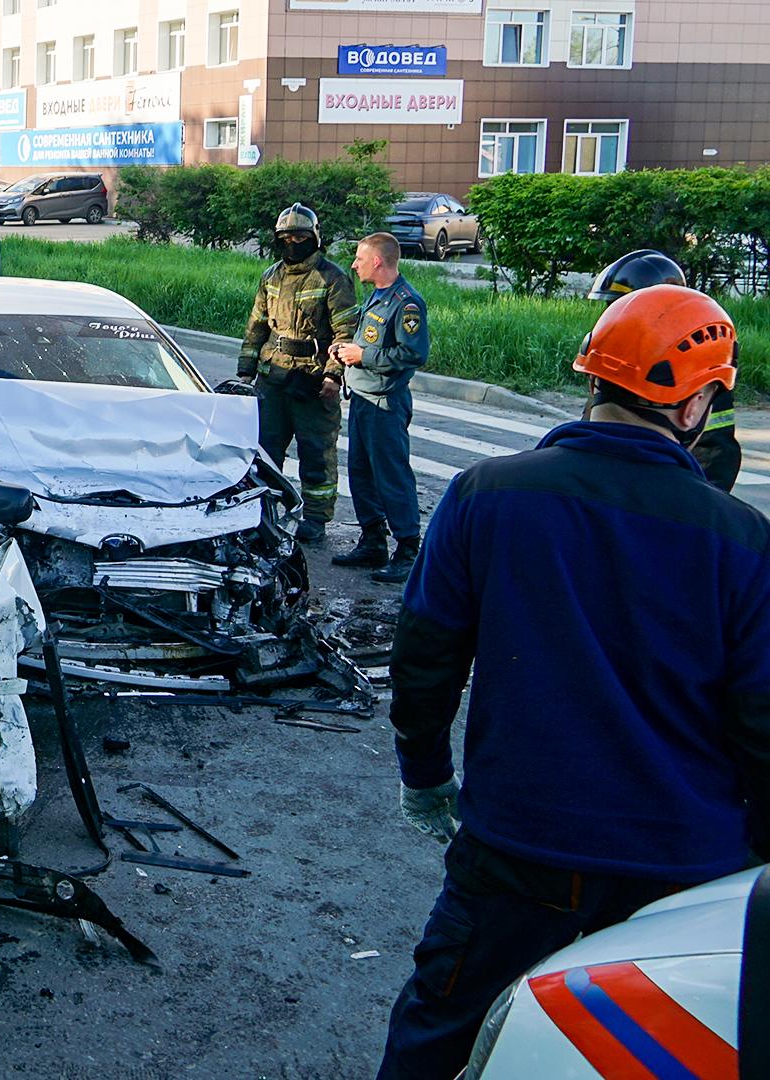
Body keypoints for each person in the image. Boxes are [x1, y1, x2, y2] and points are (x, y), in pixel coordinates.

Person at [375, 284, 770, 1078]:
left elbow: (425, 661)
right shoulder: (741, 537)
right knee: (646, 1052)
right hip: (683, 861)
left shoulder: (487, 494)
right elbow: (761, 720)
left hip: (521, 841)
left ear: (592, 379)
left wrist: (427, 776)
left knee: (442, 1021)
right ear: (694, 408)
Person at [237, 203, 358, 543]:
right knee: (265, 452)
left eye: (300, 236)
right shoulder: (270, 277)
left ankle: (316, 519)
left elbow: (346, 332)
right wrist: (245, 372)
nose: (293, 242)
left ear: (315, 237)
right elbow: (255, 328)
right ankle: (263, 512)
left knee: (316, 453)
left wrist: (334, 375)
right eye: (286, 237)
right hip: (272, 380)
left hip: (313, 382)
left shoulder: (333, 279)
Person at [588, 249, 741, 492]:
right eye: (612, 306)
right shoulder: (612, 358)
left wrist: (699, 506)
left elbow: (715, 456)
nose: (618, 316)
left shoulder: (698, 364)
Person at [332, 233, 429, 584]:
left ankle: (407, 549)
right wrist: (347, 350)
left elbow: (412, 354)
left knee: (391, 475)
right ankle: (373, 540)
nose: (354, 264)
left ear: (377, 261)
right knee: (360, 473)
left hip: (385, 403)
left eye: (360, 258)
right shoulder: (377, 295)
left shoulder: (407, 303)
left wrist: (364, 356)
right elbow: (370, 339)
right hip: (362, 398)